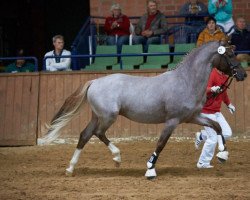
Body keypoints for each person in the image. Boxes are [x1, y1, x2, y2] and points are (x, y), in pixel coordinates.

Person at [195, 68, 235, 168]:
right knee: (213, 138)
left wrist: (229, 104)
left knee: (226, 133)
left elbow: (224, 93)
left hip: (216, 111)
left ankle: (202, 136)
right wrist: (211, 89)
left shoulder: (224, 76)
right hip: (206, 111)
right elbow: (203, 89)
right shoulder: (212, 73)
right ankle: (202, 162)